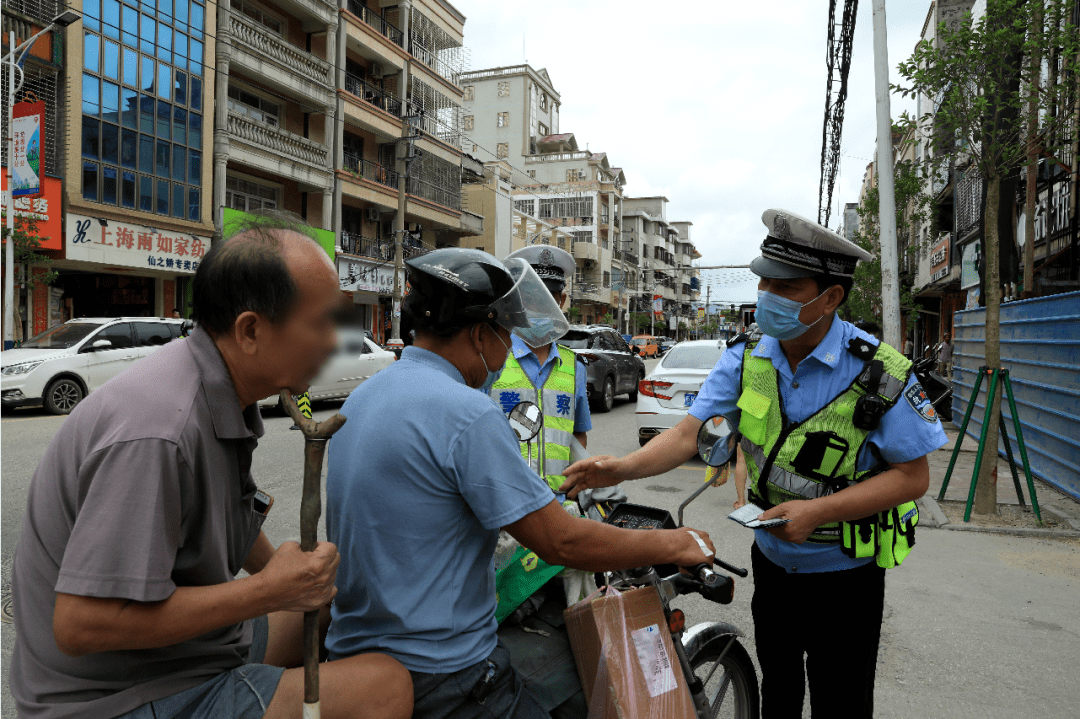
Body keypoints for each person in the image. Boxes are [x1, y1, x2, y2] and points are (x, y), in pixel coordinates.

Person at [9, 211, 411, 719]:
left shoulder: (220, 391)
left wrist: (294, 579)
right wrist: (268, 590)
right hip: (117, 697)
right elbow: (82, 625)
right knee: (386, 687)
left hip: (182, 654)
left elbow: (233, 517)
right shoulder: (160, 431)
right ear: (250, 330)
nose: (334, 341)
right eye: (320, 323)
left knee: (329, 606)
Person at [560, 209, 948, 719]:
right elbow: (690, 433)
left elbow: (913, 478)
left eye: (785, 287)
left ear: (830, 297)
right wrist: (620, 468)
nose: (765, 294)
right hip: (773, 565)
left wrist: (819, 512)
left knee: (841, 702)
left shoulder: (880, 372)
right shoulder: (747, 356)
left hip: (846, 577)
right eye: (764, 281)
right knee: (778, 693)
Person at [324, 248, 717, 719]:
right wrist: (675, 543)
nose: (509, 346)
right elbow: (561, 541)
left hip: (356, 651)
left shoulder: (364, 396)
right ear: (479, 333)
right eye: (506, 332)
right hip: (445, 672)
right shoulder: (468, 412)